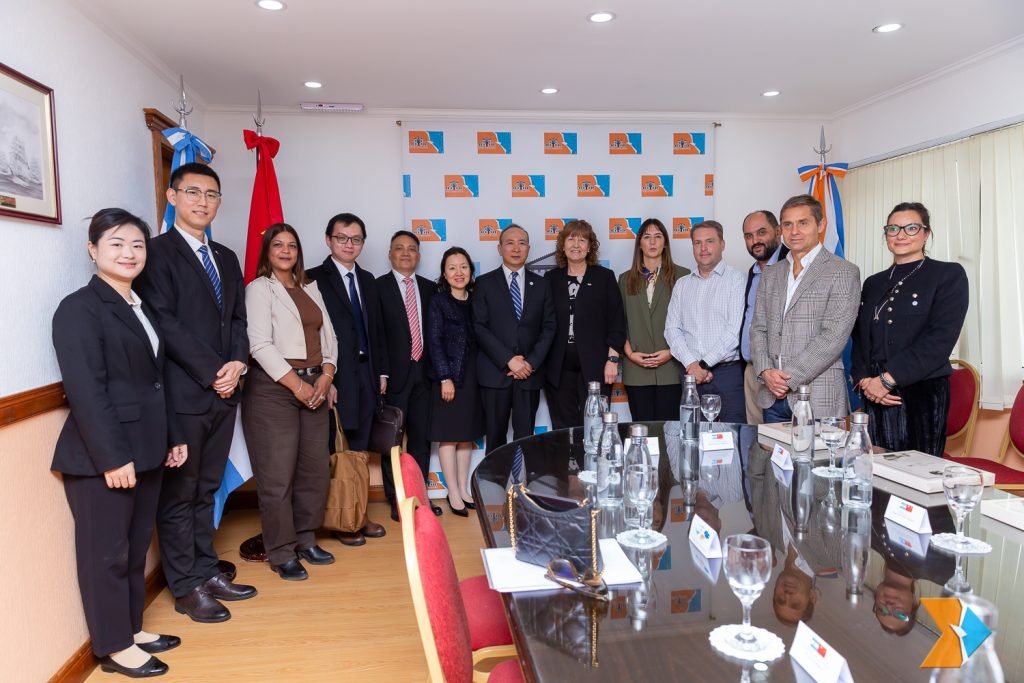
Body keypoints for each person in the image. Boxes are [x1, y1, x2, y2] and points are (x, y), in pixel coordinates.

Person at [52, 209, 186, 678]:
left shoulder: (140, 306)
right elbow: (86, 390)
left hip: (147, 446)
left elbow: (156, 381)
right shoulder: (78, 308)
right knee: (105, 554)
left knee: (133, 548)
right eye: (116, 243)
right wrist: (112, 458)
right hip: (101, 456)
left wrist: (172, 436)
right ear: (93, 250)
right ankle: (113, 647)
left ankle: (130, 628)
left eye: (137, 245)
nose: (129, 253)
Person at [135, 163, 257, 623]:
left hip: (225, 393)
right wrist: (213, 371)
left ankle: (207, 571)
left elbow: (239, 319)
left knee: (207, 488)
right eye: (193, 192)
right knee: (180, 494)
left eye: (211, 194)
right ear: (172, 197)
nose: (202, 201)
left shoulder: (225, 256)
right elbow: (164, 322)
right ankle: (185, 586)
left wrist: (238, 363)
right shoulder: (155, 253)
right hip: (184, 395)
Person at [242, 224, 339, 581]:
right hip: (274, 390)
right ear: (267, 251)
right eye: (278, 245)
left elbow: (330, 337)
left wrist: (327, 375)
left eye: (292, 245)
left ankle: (306, 539)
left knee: (314, 470)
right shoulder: (259, 289)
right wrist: (297, 385)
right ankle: (281, 550)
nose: (286, 251)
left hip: (316, 385)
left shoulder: (310, 287)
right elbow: (259, 344)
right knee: (277, 476)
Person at [851, 202, 969, 457]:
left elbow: (940, 339)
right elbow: (859, 337)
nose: (901, 235)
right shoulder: (873, 283)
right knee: (872, 467)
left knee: (916, 469)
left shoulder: (947, 274)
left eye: (911, 228)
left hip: (921, 392)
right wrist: (865, 381)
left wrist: (887, 380)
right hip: (874, 392)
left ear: (926, 233)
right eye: (893, 229)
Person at [307, 212, 388, 546]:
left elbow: (377, 330)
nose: (349, 244)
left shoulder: (368, 279)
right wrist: (324, 378)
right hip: (335, 377)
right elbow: (311, 334)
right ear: (329, 240)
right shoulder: (312, 278)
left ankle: (359, 514)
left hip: (366, 374)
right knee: (336, 449)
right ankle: (340, 519)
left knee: (360, 449)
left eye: (355, 239)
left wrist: (382, 372)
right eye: (342, 238)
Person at [750, 194, 861, 422]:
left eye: (803, 223)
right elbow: (759, 328)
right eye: (787, 224)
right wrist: (765, 371)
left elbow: (833, 337)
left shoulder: (843, 271)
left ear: (820, 225)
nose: (794, 231)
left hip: (818, 396)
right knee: (771, 448)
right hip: (772, 397)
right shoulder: (771, 273)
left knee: (818, 449)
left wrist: (787, 379)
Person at [473, 224, 556, 452]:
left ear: (529, 248)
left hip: (529, 375)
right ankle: (494, 478)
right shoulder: (484, 283)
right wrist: (509, 360)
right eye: (510, 243)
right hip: (495, 374)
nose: (516, 248)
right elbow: (479, 327)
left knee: (525, 440)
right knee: (495, 440)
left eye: (522, 243)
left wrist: (530, 363)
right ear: (499, 248)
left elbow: (549, 327)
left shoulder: (542, 284)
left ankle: (522, 477)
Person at [376, 230, 441, 521]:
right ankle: (397, 499)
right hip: (393, 375)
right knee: (391, 442)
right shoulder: (377, 287)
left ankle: (419, 497)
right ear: (390, 254)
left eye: (412, 248)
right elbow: (375, 334)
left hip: (425, 374)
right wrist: (381, 372)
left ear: (418, 255)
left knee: (421, 441)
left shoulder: (430, 288)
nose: (406, 253)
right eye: (399, 248)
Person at [543, 219, 626, 429]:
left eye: (582, 240)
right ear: (563, 245)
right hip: (558, 367)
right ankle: (566, 454)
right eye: (571, 239)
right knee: (562, 428)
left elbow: (617, 321)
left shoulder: (604, 277)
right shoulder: (551, 279)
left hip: (597, 365)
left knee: (595, 427)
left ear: (590, 247)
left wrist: (612, 359)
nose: (576, 245)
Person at [664, 220, 747, 423]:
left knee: (732, 435)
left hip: (727, 374)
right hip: (690, 375)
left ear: (722, 244)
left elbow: (734, 331)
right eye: (697, 243)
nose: (703, 248)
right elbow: (671, 330)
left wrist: (703, 365)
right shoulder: (682, 284)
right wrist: (692, 365)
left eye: (710, 241)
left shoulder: (737, 280)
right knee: (691, 435)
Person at [426, 247, 485, 516]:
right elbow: (434, 341)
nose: (458, 272)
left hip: (474, 376)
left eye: (463, 267)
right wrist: (444, 377)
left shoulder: (477, 300)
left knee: (466, 436)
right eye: (452, 268)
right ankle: (452, 491)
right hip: (450, 377)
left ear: (471, 270)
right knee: (449, 437)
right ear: (444, 273)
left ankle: (463, 488)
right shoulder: (438, 302)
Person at [618, 219, 689, 421]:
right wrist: (630, 354)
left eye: (658, 236)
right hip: (636, 369)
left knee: (670, 431)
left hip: (671, 368)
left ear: (665, 243)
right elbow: (619, 323)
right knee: (642, 431)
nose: (652, 242)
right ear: (639, 243)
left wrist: (672, 352)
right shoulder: (625, 279)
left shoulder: (683, 276)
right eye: (647, 237)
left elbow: (690, 322)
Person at [740, 210, 788, 424]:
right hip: (752, 371)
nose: (755, 241)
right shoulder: (753, 272)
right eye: (749, 236)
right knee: (754, 436)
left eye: (761, 232)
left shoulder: (793, 264)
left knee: (782, 438)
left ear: (778, 231)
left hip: (780, 374)